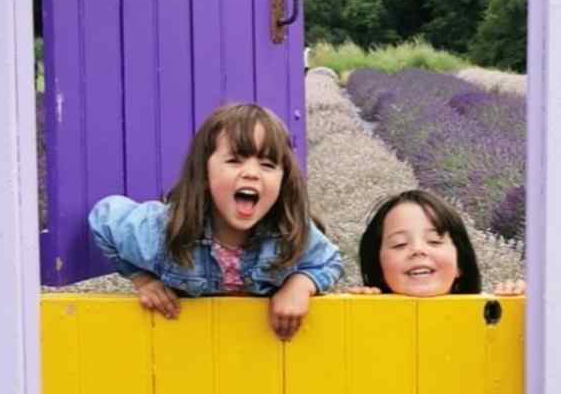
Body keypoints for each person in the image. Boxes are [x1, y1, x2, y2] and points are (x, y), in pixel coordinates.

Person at [88, 103, 342, 341]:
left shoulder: (290, 232)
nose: (252, 173)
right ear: (204, 173)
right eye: (234, 161)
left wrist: (300, 284)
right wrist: (142, 280)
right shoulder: (164, 232)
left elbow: (329, 260)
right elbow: (104, 217)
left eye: (267, 164)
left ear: (283, 180)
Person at [347, 189, 525, 296]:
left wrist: (524, 310)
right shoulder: (357, 319)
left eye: (434, 241)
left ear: (460, 264)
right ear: (378, 266)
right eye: (399, 244)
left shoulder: (491, 322)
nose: (418, 250)